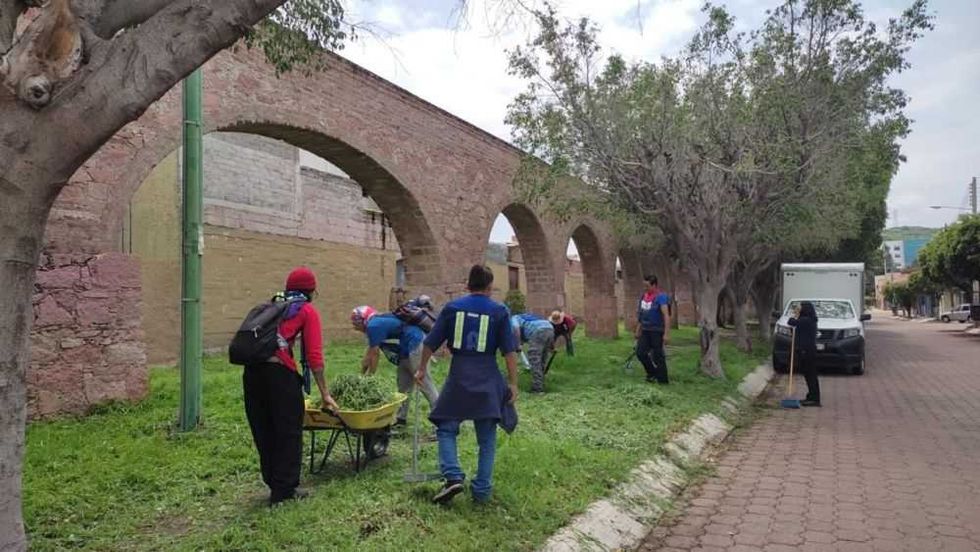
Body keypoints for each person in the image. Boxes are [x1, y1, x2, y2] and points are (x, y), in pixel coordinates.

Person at [415, 265, 519, 505]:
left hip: (459, 375)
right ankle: (481, 491)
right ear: (490, 286)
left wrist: (421, 368)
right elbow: (509, 352)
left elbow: (430, 342)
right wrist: (513, 383)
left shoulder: (452, 308)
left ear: (468, 284)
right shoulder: (500, 311)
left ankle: (452, 476)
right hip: (488, 375)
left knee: (446, 426)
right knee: (487, 435)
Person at [243, 266, 338, 505]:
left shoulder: (271, 306)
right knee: (288, 430)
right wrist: (325, 393)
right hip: (280, 376)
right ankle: (285, 490)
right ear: (311, 291)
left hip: (252, 373)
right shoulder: (306, 310)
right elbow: (315, 357)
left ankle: (273, 482)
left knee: (263, 427)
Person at [351, 305, 439, 425]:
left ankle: (441, 419)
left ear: (362, 320)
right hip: (405, 348)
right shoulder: (374, 324)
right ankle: (401, 419)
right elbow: (369, 354)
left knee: (424, 382)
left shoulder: (373, 326)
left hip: (415, 344)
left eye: (356, 324)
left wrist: (370, 377)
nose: (355, 328)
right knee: (403, 384)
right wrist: (361, 375)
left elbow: (375, 355)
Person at [636, 274, 671, 384]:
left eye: (647, 286)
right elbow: (641, 315)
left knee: (658, 355)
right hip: (646, 330)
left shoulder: (661, 297)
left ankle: (663, 380)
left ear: (654, 285)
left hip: (657, 330)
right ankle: (652, 373)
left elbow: (666, 316)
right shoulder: (644, 297)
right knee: (640, 353)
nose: (645, 288)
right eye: (644, 286)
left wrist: (666, 333)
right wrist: (638, 329)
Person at [511, 312, 556, 393]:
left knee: (534, 360)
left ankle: (537, 389)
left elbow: (515, 328)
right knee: (542, 360)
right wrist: (552, 345)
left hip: (538, 331)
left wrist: (517, 344)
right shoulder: (528, 317)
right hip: (550, 328)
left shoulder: (514, 318)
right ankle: (541, 383)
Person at [788, 301, 820, 407]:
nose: (798, 309)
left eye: (800, 308)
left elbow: (791, 322)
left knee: (811, 375)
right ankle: (811, 396)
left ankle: (815, 399)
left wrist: (795, 314)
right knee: (808, 375)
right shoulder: (808, 320)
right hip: (806, 350)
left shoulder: (807, 320)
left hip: (808, 351)